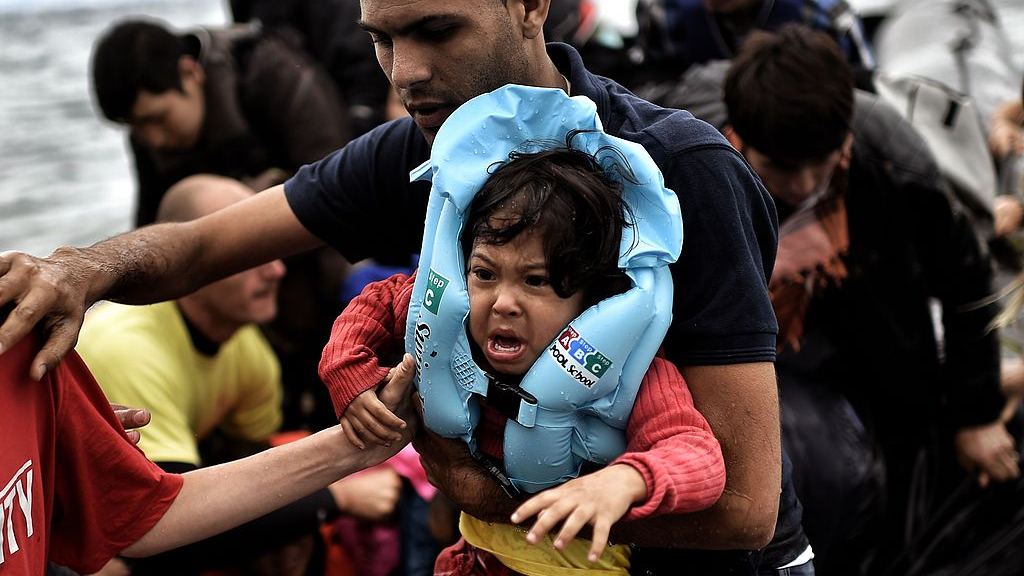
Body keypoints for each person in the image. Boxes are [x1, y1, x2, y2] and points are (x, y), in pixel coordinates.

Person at [0, 1, 796, 573]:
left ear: (531, 5)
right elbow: (205, 242)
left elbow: (744, 511)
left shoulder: (685, 172)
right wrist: (81, 270)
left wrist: (477, 492)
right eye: (380, 39)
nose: (406, 72)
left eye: (436, 31)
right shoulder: (419, 152)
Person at [652, 25, 1017, 574]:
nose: (803, 185)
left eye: (819, 165)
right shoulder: (683, 157)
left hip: (847, 337)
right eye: (782, 168)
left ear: (844, 140)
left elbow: (966, 279)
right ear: (738, 139)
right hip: (721, 344)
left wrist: (976, 413)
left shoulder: (895, 161)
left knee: (843, 473)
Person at [322, 123, 726, 573]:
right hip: (472, 560)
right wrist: (346, 371)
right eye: (485, 274)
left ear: (591, 298)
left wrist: (625, 480)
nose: (503, 303)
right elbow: (379, 302)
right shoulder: (451, 319)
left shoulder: (622, 374)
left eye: (535, 281)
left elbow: (699, 458)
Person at [73, 175, 402, 576]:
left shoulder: (245, 343)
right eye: (251, 257)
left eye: (274, 253)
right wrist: (335, 499)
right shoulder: (130, 346)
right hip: (102, 527)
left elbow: (254, 452)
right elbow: (161, 523)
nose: (277, 271)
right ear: (187, 268)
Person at [91, 17, 355, 432]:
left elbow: (340, 187)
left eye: (158, 119)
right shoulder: (150, 136)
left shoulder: (274, 77)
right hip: (237, 295)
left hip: (317, 263)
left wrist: (241, 204)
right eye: (137, 128)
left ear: (189, 73)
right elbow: (150, 228)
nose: (153, 139)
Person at [0, 318, 415, 576]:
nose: (274, 270)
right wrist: (338, 495)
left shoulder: (29, 350)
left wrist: (355, 447)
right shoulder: (120, 346)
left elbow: (144, 514)